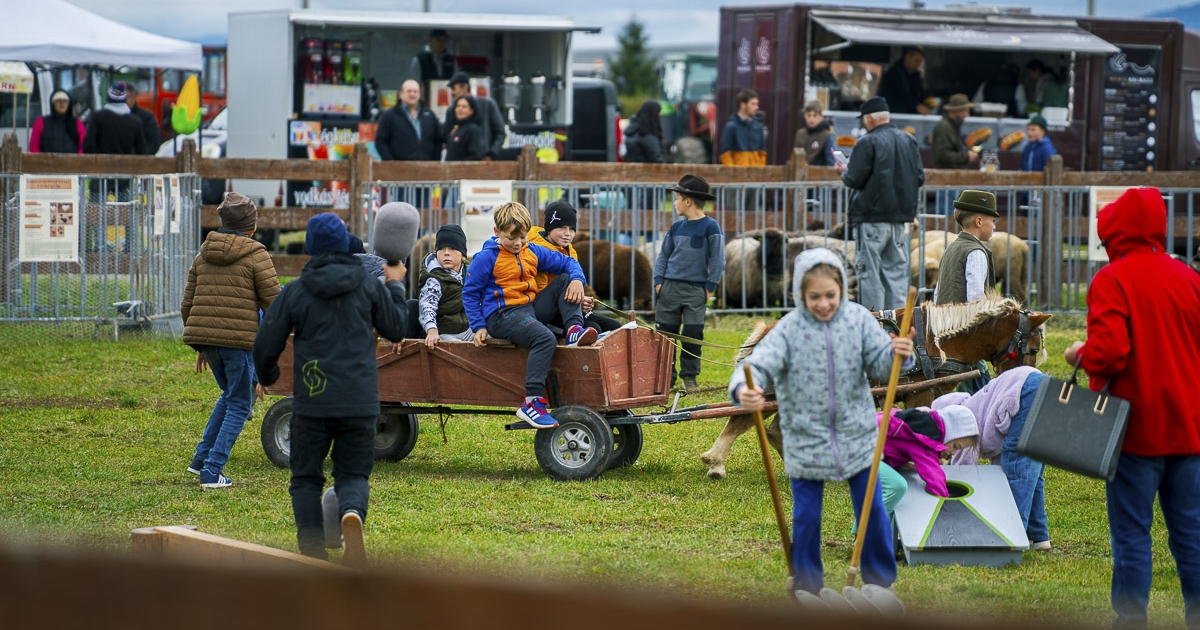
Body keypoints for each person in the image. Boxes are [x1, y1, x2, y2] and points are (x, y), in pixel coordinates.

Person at [730, 248, 914, 599]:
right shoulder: (788, 330)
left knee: (872, 509)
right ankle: (807, 586)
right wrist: (743, 387)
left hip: (856, 434)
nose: (824, 303)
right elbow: (758, 364)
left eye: (831, 295)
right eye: (815, 297)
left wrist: (897, 357)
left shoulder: (859, 320)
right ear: (801, 293)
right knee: (807, 516)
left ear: (842, 289)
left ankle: (879, 584)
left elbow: (880, 364)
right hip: (804, 437)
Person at [1061, 187, 1200, 629]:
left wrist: (1078, 353)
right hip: (1189, 427)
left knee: (1133, 535)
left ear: (1115, 237)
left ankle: (1131, 622)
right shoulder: (1189, 277)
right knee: (1193, 536)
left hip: (1135, 430)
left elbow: (1110, 353)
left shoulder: (1113, 279)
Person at [254, 212, 410, 567]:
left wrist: (269, 372)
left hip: (313, 400)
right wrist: (395, 285)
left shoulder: (296, 291)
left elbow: (265, 343)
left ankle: (311, 553)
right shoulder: (370, 286)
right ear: (344, 243)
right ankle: (351, 512)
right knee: (352, 474)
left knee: (306, 477)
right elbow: (398, 329)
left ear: (310, 247)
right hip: (359, 399)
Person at [462, 201, 598, 429]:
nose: (517, 244)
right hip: (502, 315)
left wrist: (577, 280)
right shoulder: (485, 258)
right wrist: (478, 326)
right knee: (544, 338)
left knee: (565, 278)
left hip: (529, 309)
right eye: (511, 238)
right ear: (497, 232)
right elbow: (469, 293)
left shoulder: (531, 250)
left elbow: (568, 262)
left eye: (522, 237)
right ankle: (532, 403)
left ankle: (574, 329)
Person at [182, 193, 280, 489]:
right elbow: (274, 304)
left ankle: (200, 461)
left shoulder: (203, 254)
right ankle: (213, 471)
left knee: (229, 395)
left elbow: (188, 305)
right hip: (239, 343)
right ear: (251, 226)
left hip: (208, 341)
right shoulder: (256, 254)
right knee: (239, 402)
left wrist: (202, 344)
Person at [932, 366, 1053, 551]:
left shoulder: (964, 424)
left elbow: (963, 473)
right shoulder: (978, 405)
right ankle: (1038, 537)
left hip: (1023, 391)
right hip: (1038, 385)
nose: (950, 453)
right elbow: (999, 468)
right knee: (1032, 472)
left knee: (1017, 471)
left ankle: (1010, 538)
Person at [836, 96, 925, 311]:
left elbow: (854, 179)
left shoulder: (867, 142)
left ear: (869, 119)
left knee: (871, 275)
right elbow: (920, 177)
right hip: (901, 221)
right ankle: (896, 326)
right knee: (895, 274)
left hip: (872, 219)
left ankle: (875, 325)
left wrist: (843, 171)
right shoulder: (908, 140)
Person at [653, 174, 725, 392]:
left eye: (676, 198)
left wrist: (710, 288)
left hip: (696, 291)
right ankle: (665, 379)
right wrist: (659, 282)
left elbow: (719, 260)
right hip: (669, 288)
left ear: (688, 201)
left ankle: (690, 377)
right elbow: (663, 257)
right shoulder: (676, 228)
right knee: (666, 335)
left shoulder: (711, 227)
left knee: (693, 334)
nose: (674, 202)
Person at [527, 200, 622, 335]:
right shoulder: (537, 250)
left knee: (615, 325)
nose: (568, 233)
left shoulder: (571, 251)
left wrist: (580, 300)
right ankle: (570, 336)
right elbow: (542, 293)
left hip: (563, 308)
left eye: (572, 229)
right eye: (561, 228)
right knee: (595, 329)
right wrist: (569, 303)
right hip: (542, 312)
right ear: (549, 228)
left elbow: (571, 289)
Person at [933, 189, 998, 305]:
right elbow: (976, 299)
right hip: (965, 322)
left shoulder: (950, 248)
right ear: (979, 222)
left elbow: (937, 293)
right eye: (993, 221)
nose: (994, 226)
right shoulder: (976, 252)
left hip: (943, 321)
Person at [419, 224, 474, 346]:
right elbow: (427, 305)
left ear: (463, 255)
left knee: (491, 337)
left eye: (453, 248)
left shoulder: (471, 274)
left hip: (469, 329)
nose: (446, 253)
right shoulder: (435, 279)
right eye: (442, 249)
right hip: (444, 332)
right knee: (454, 349)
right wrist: (432, 330)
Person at [375, 79, 442, 162]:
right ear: (401, 94)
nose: (412, 94)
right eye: (409, 91)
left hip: (427, 169)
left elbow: (437, 141)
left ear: (419, 94)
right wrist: (391, 163)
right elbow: (381, 142)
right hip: (400, 170)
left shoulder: (430, 115)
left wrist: (434, 164)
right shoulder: (390, 116)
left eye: (415, 91)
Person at [445, 72, 505, 160]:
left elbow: (500, 133)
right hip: (459, 166)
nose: (452, 92)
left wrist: (490, 155)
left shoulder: (488, 105)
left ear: (465, 87)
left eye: (454, 88)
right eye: (458, 106)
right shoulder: (451, 111)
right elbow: (447, 136)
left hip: (486, 163)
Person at [83, 81, 147, 156]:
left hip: (102, 165)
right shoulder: (135, 121)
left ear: (108, 99)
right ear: (124, 99)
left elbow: (88, 146)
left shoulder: (98, 117)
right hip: (126, 166)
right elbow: (142, 151)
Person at [876, 47, 930, 115]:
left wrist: (926, 101)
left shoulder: (916, 76)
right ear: (907, 58)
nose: (918, 64)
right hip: (895, 113)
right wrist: (916, 106)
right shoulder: (894, 73)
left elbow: (919, 93)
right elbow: (901, 94)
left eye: (920, 61)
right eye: (916, 60)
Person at [718, 89, 766, 166]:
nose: (757, 107)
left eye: (757, 104)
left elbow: (762, 154)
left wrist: (760, 173)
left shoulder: (758, 127)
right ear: (743, 104)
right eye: (753, 104)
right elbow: (725, 154)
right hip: (738, 176)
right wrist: (734, 174)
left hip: (755, 176)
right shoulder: (731, 127)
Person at [931, 94, 979, 170]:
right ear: (957, 111)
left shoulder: (951, 126)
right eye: (965, 111)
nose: (967, 115)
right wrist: (966, 156)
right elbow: (942, 155)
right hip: (947, 177)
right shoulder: (944, 128)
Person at [30, 90, 84, 154]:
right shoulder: (41, 122)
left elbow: (83, 147)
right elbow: (34, 147)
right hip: (47, 163)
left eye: (65, 101)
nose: (62, 103)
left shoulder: (77, 123)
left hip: (72, 163)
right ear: (53, 104)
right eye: (58, 100)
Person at [409, 29, 457, 98]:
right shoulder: (419, 60)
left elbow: (456, 82)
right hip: (426, 99)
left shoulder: (451, 61)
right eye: (438, 39)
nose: (441, 42)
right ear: (430, 40)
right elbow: (415, 84)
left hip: (447, 99)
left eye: (444, 39)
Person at [792, 100, 834, 167]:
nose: (811, 119)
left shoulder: (826, 136)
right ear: (805, 116)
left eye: (815, 115)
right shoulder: (800, 134)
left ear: (821, 117)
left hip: (819, 175)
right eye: (809, 115)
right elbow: (793, 158)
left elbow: (831, 162)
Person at [444, 95, 485, 162]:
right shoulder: (457, 128)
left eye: (464, 107)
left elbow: (475, 156)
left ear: (471, 111)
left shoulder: (473, 129)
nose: (460, 109)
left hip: (464, 171)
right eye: (458, 106)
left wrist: (459, 167)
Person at [125, 84, 162, 154]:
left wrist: (140, 156)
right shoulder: (112, 116)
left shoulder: (147, 117)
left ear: (134, 97)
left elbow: (154, 142)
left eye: (127, 97)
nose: (124, 100)